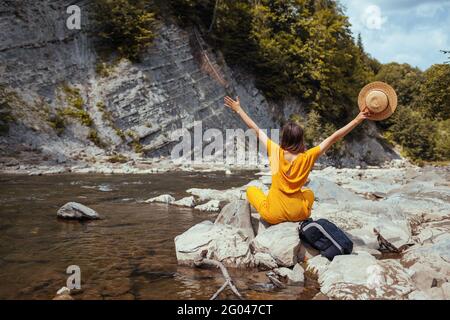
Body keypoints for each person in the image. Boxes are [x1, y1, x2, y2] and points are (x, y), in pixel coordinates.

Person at [224, 96, 374, 225]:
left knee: (251, 190)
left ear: (284, 138)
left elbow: (255, 129)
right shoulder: (308, 156)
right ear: (301, 139)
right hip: (299, 214)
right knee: (308, 193)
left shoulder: (275, 150)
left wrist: (238, 109)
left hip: (273, 214)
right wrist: (356, 120)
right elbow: (334, 137)